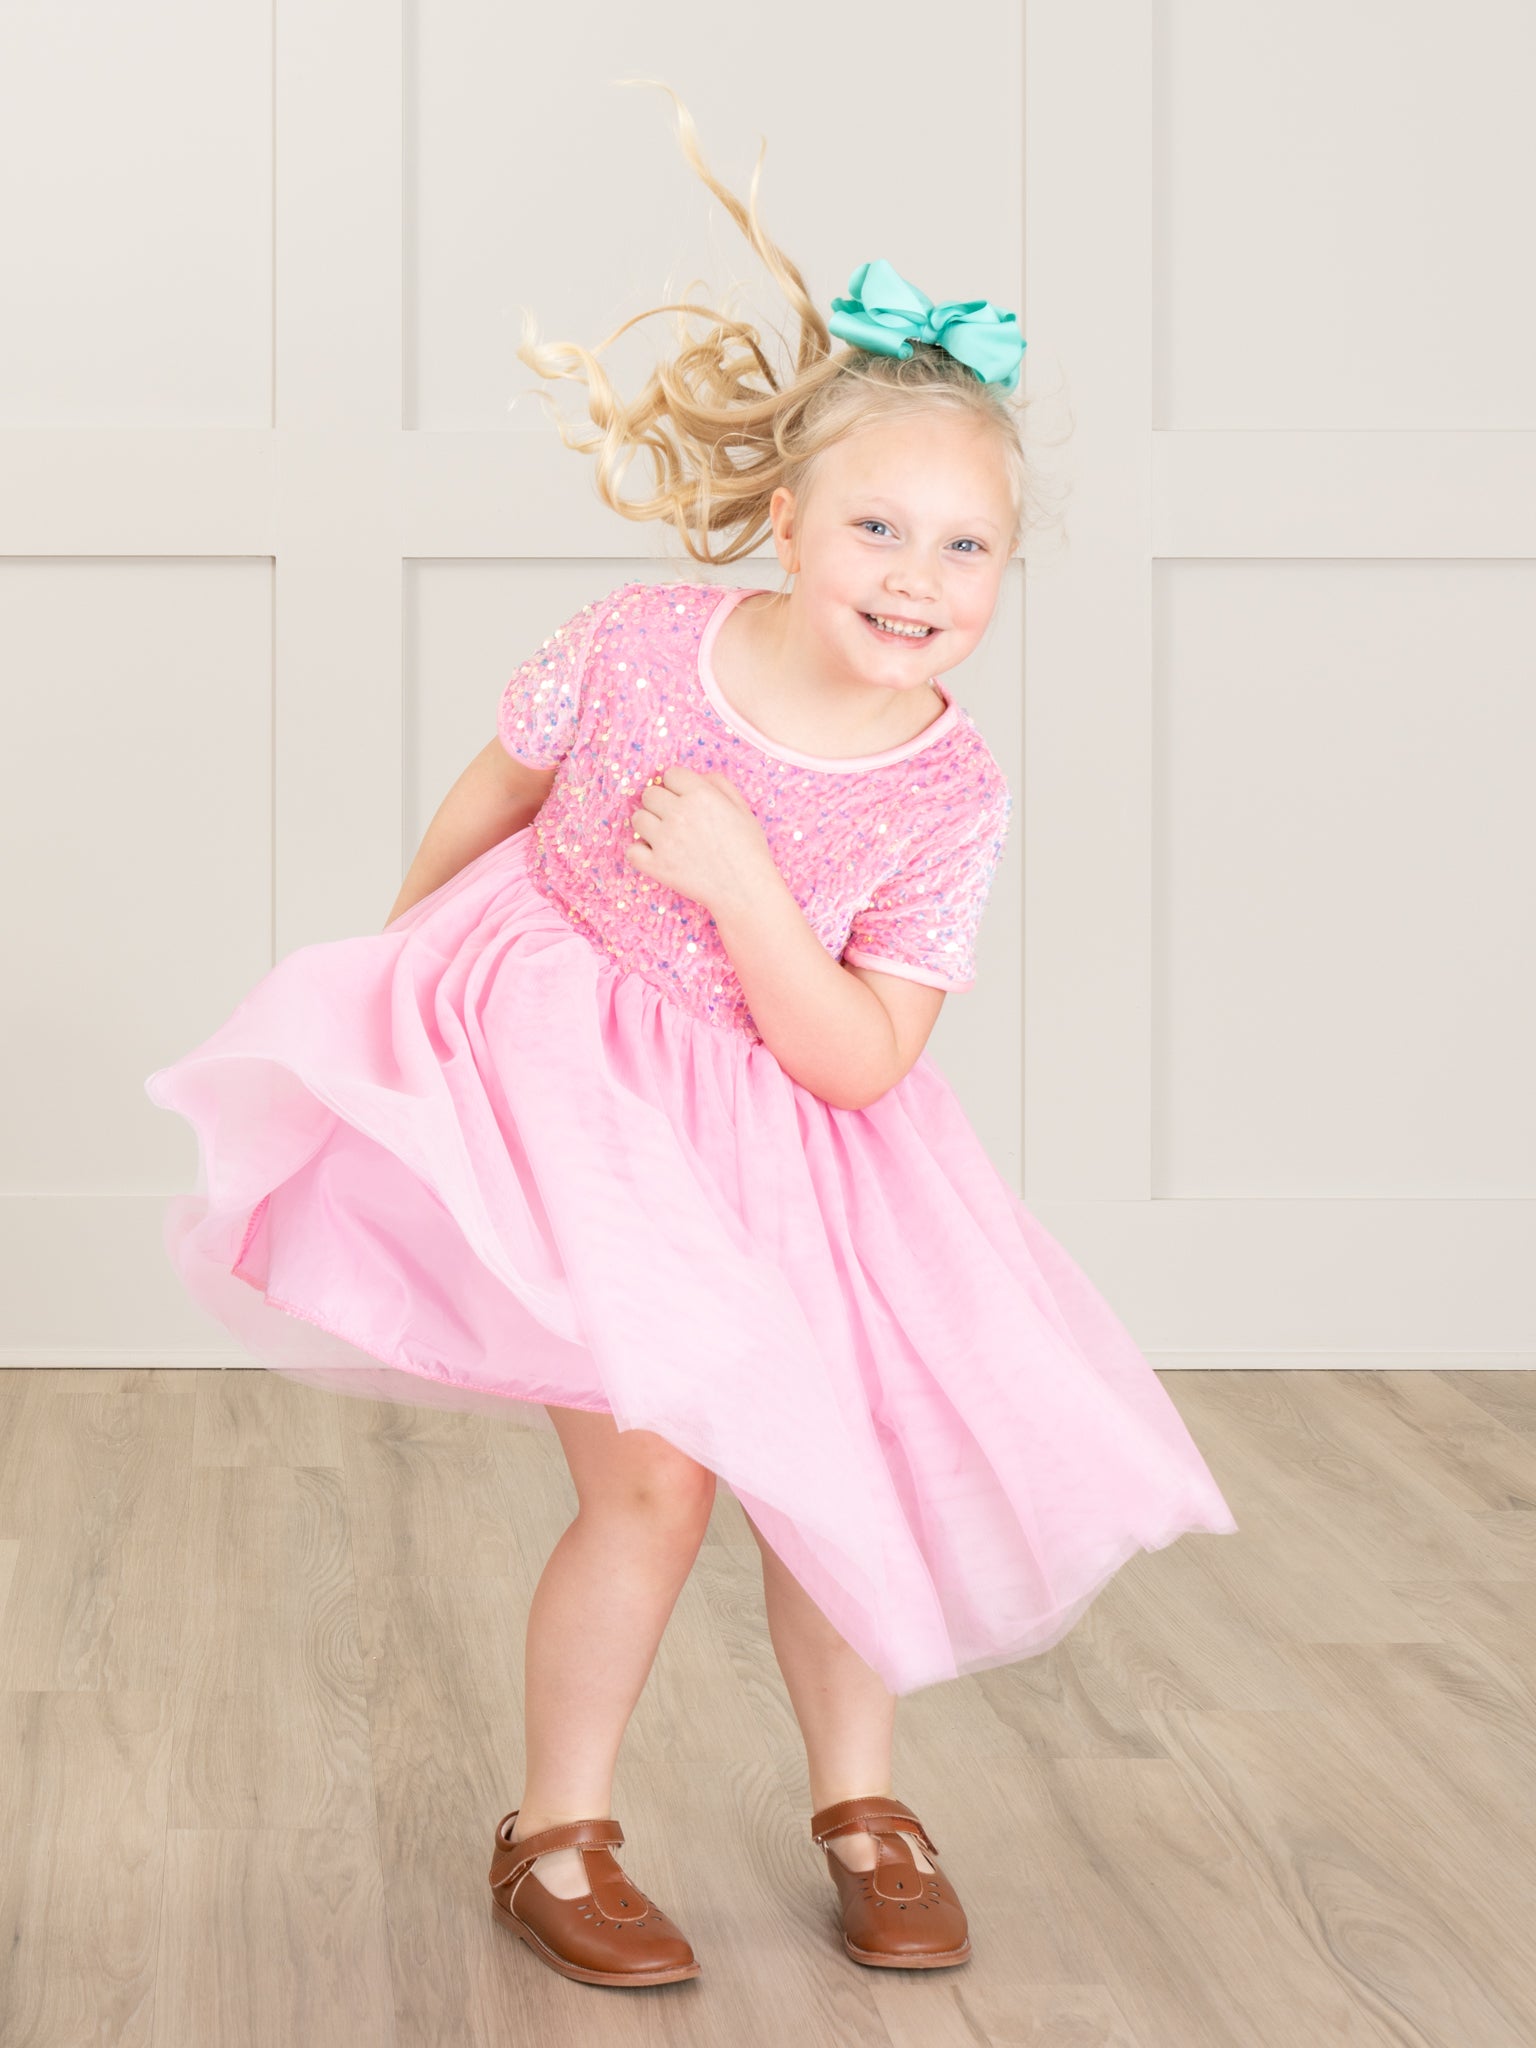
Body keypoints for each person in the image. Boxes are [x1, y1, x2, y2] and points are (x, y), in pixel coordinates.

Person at [145, 83, 1237, 1991]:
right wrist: (400, 997)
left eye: (965, 548)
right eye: (877, 527)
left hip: (794, 1136)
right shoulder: (646, 646)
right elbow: (498, 795)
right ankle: (556, 1832)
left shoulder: (950, 792)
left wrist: (744, 888)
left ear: (1005, 571)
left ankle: (863, 1805)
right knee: (650, 1484)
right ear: (788, 523)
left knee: (835, 1472)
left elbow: (862, 1060)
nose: (915, 578)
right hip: (574, 1091)